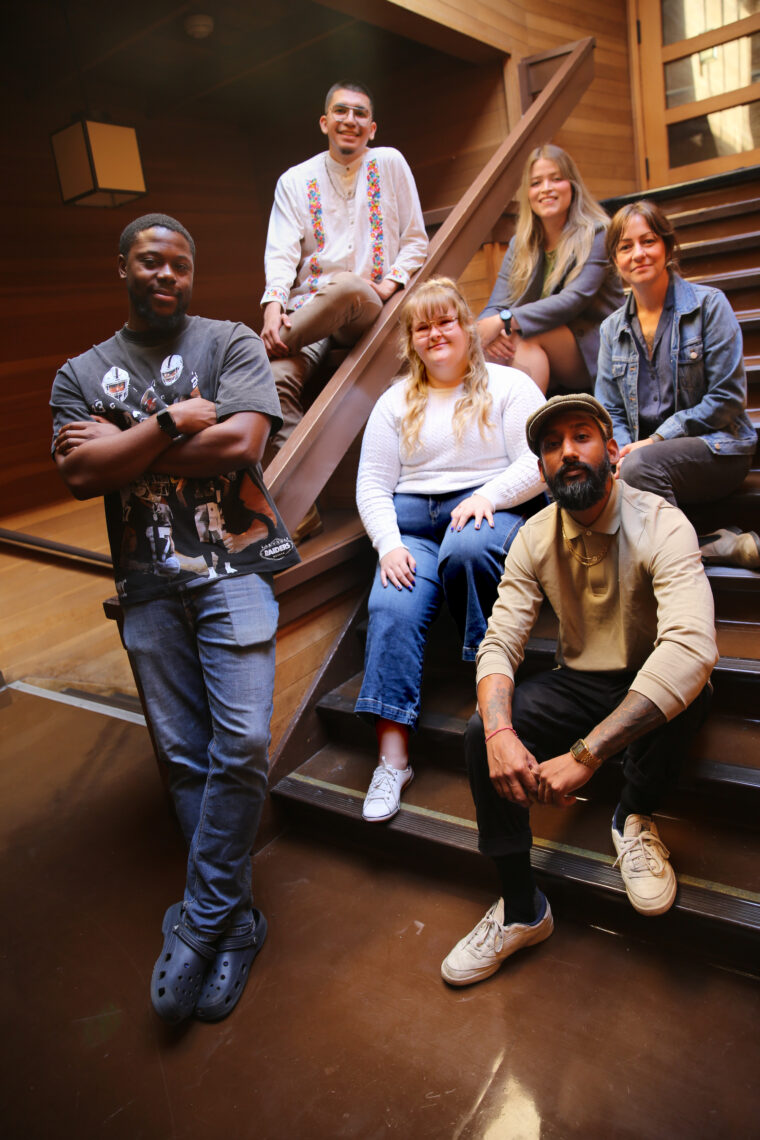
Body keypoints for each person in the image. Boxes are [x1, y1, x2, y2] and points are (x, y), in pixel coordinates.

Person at [50, 213, 299, 1024]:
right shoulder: (80, 371)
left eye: (180, 265)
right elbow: (82, 477)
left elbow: (240, 445)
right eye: (151, 262)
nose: (167, 276)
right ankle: (235, 927)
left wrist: (124, 443)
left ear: (193, 272)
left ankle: (197, 923)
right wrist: (166, 421)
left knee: (245, 742)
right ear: (122, 266)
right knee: (187, 757)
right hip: (149, 583)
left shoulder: (231, 343)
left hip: (232, 567)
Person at [441, 393, 717, 987]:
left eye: (581, 437)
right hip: (582, 682)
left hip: (649, 682)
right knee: (474, 730)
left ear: (613, 453)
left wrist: (587, 755)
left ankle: (633, 814)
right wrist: (499, 733)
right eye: (550, 444)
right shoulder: (533, 536)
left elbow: (691, 647)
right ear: (541, 469)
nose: (566, 451)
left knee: (696, 690)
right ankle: (522, 910)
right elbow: (500, 642)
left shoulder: (662, 522)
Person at [354, 278, 546, 822]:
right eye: (422, 326)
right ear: (411, 340)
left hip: (490, 513)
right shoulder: (395, 401)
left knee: (467, 549)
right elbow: (371, 484)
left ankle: (490, 696)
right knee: (389, 607)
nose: (435, 333)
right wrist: (389, 545)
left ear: (466, 327)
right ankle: (393, 761)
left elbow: (537, 461)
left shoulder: (510, 385)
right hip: (411, 526)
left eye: (445, 322)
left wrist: (487, 494)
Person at [261, 80, 428, 540]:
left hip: (365, 307)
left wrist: (390, 282)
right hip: (308, 315)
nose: (350, 120)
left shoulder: (389, 163)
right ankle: (300, 506)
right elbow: (280, 252)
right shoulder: (295, 180)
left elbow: (417, 240)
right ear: (324, 122)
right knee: (272, 382)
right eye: (341, 111)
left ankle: (250, 356)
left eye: (359, 114)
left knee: (348, 288)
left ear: (371, 128)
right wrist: (274, 306)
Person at [596, 199, 759, 569]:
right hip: (641, 456)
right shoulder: (610, 329)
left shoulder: (709, 306)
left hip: (717, 448)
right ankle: (711, 547)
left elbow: (728, 398)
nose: (638, 253)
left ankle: (662, 564)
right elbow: (610, 409)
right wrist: (621, 450)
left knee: (638, 469)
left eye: (648, 241)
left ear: (667, 248)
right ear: (615, 260)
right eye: (625, 246)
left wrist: (655, 441)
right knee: (581, 474)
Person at [476, 144, 623, 395]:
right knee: (488, 342)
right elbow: (497, 303)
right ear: (528, 193)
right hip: (544, 347)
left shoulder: (598, 233)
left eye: (556, 179)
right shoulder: (521, 244)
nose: (546, 189)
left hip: (596, 347)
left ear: (572, 185)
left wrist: (505, 321)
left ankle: (526, 426)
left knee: (524, 336)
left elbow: (573, 300)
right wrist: (485, 330)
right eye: (536, 183)